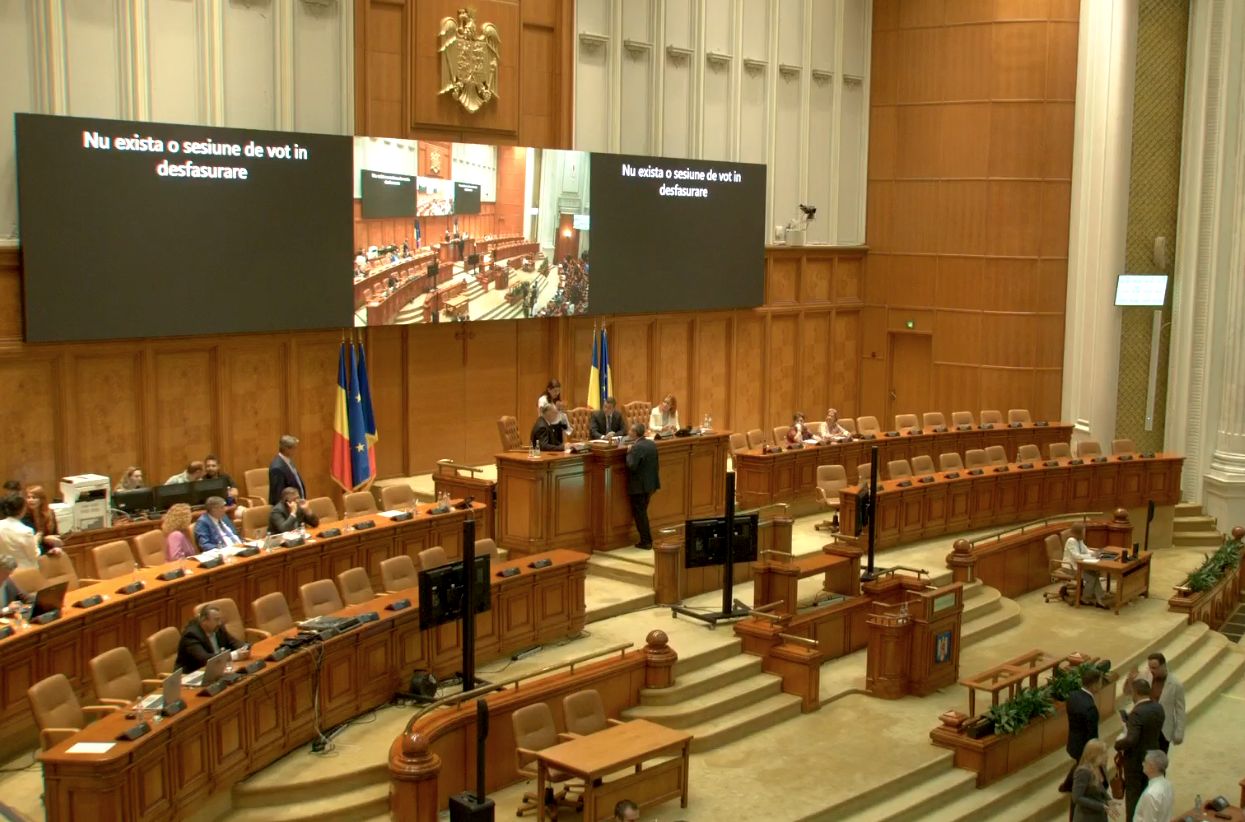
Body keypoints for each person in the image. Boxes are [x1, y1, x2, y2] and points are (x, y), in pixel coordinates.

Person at [1114, 678, 1165, 821]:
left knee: (1133, 797)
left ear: (1135, 693)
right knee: (1149, 794)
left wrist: (1118, 744)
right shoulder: (1158, 708)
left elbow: (1131, 739)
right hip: (1153, 757)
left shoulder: (1137, 713)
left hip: (1136, 762)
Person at [1128, 653, 1185, 753]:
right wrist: (1130, 679)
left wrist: (1179, 733)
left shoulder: (1176, 685)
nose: (1151, 670)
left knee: (1159, 759)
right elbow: (1129, 692)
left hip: (1163, 731)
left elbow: (1180, 710)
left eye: (1154, 668)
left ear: (1163, 666)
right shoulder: (1145, 676)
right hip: (1145, 726)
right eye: (1150, 667)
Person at [1061, 668, 1102, 796]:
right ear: (1094, 684)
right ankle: (1071, 787)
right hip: (1084, 746)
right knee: (1082, 767)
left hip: (1073, 741)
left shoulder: (1073, 696)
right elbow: (1092, 734)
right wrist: (1096, 751)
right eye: (1100, 682)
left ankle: (1066, 785)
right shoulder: (1090, 708)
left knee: (1079, 764)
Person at [175, 604, 249, 674]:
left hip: (217, 669)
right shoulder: (191, 635)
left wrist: (244, 648)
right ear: (204, 621)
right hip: (194, 674)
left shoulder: (218, 628)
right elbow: (204, 659)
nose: (219, 623)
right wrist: (234, 655)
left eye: (219, 619)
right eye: (216, 620)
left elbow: (233, 642)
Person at [625, 423, 660, 549]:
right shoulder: (651, 444)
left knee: (640, 514)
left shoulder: (637, 447)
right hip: (650, 484)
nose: (629, 432)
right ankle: (647, 539)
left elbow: (632, 465)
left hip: (639, 487)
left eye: (630, 430)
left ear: (635, 433)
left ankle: (646, 541)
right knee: (643, 512)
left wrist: (629, 452)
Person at [1069, 739, 1117, 821]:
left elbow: (1102, 789)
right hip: (1086, 817)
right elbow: (1077, 797)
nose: (1107, 756)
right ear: (1094, 755)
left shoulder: (1101, 767)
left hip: (1100, 815)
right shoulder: (1083, 771)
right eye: (1104, 753)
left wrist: (1109, 800)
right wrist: (1100, 806)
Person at [1062, 523, 1108, 607]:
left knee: (1095, 574)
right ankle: (1084, 599)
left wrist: (1096, 553)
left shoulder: (1079, 540)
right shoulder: (1071, 541)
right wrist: (1092, 556)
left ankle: (1100, 597)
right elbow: (1077, 556)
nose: (1084, 533)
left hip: (1079, 566)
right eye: (1083, 531)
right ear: (1078, 532)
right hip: (1070, 567)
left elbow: (1086, 550)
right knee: (1091, 578)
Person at [1131, 750, 1174, 822]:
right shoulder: (1168, 785)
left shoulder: (1150, 794)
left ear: (1152, 766)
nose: (1143, 764)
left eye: (1145, 762)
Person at [0, 493, 40, 569]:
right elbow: (34, 555)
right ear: (23, 510)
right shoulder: (26, 531)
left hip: (4, 570)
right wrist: (36, 541)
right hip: (24, 571)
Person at [21, 485, 64, 554]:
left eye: (34, 497)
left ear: (41, 500)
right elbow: (28, 540)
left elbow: (55, 534)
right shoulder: (24, 516)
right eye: (28, 497)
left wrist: (56, 546)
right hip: (34, 552)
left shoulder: (50, 513)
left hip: (51, 551)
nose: (30, 500)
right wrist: (45, 539)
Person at [268, 434, 306, 504]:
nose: (296, 451)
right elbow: (278, 496)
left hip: (296, 504)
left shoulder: (288, 461)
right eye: (294, 448)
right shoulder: (277, 468)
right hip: (288, 507)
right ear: (286, 449)